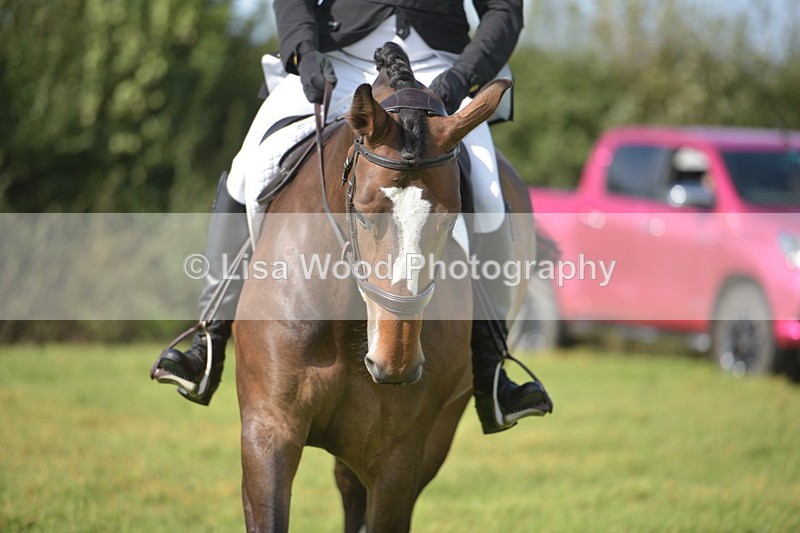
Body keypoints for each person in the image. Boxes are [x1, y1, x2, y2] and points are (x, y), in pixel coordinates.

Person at [152, 0, 553, 434]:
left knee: (490, 197)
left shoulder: (451, 75)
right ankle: (208, 341)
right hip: (337, 58)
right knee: (249, 166)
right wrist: (304, 52)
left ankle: (492, 371)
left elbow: (504, 11)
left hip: (439, 72)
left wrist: (463, 76)